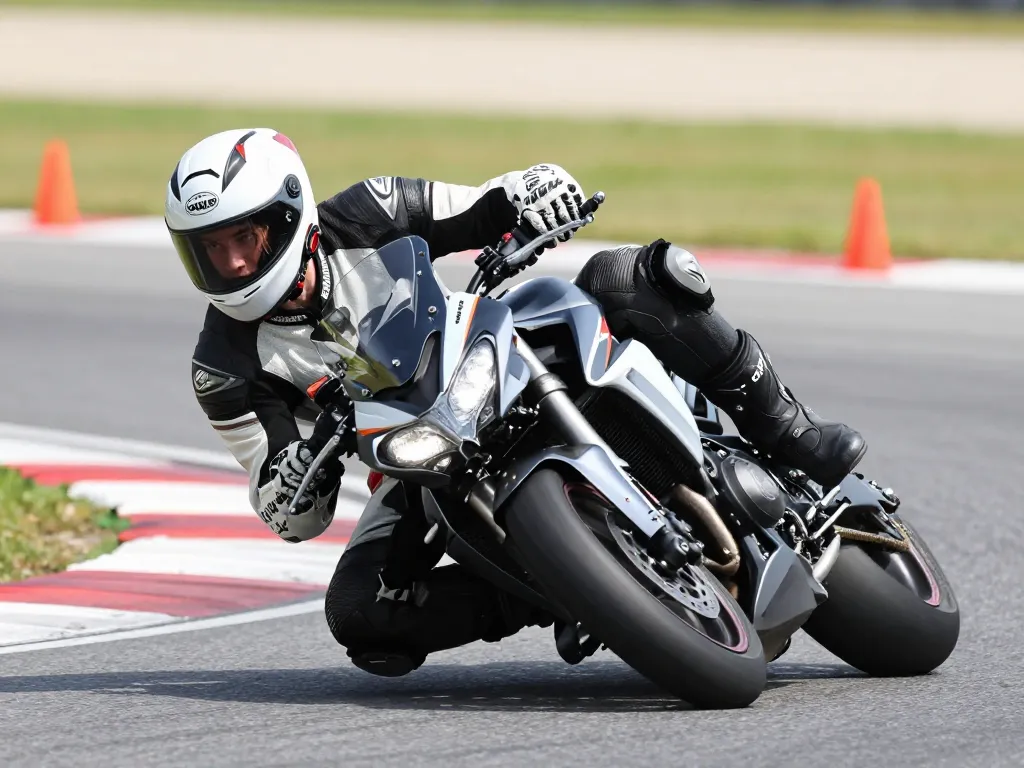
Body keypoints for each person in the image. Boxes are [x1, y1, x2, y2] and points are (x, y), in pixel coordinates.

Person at [167, 128, 866, 676]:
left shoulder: (368, 209)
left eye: (244, 238)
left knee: (626, 276)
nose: (229, 264)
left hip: (480, 353)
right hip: (413, 455)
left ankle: (790, 434)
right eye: (210, 249)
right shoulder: (221, 367)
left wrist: (532, 191)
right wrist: (292, 486)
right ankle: (564, 588)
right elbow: (282, 505)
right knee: (360, 614)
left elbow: (477, 204)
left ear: (290, 215)